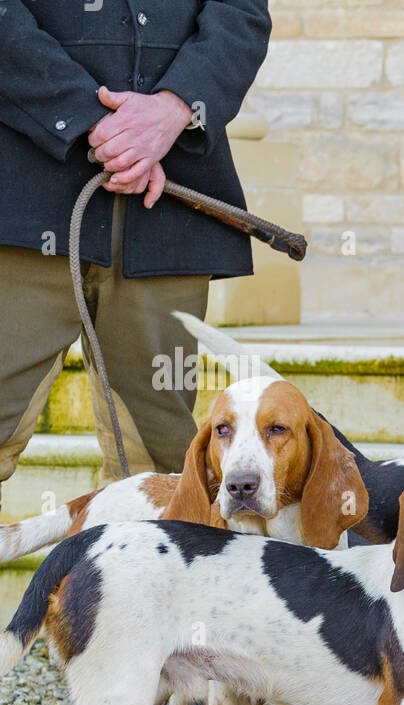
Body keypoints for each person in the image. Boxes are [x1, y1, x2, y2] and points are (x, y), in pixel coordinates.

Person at [0, 0, 272, 503]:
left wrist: (176, 107)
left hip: (169, 206)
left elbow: (242, 12)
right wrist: (93, 121)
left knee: (160, 466)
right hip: (19, 198)